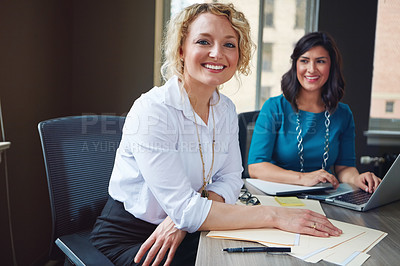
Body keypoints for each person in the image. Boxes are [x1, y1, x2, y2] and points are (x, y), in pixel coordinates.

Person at [90, 5, 342, 266]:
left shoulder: (225, 109)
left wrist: (186, 218)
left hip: (185, 229)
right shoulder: (153, 110)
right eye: (203, 41)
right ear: (181, 50)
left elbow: (231, 180)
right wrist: (275, 215)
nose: (217, 53)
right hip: (133, 240)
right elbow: (187, 211)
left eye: (229, 44)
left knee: (264, 254)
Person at [248, 31, 381, 193]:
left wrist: (356, 178)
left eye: (320, 61)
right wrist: (303, 178)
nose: (311, 69)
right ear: (295, 65)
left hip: (324, 195)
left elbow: (344, 167)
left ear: (331, 66)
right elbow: (256, 168)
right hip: (279, 195)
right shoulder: (274, 107)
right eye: (304, 61)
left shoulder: (343, 114)